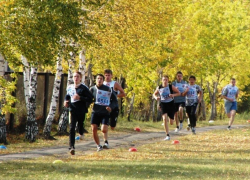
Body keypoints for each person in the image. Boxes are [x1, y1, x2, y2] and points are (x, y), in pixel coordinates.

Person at [64, 71, 93, 155]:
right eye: (74, 77)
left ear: (80, 78)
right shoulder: (70, 87)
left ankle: (81, 132)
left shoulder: (83, 88)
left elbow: (90, 98)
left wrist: (80, 97)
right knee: (72, 128)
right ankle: (71, 147)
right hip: (73, 109)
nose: (76, 78)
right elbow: (68, 95)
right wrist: (66, 101)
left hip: (81, 110)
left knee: (80, 125)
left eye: (77, 77)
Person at [89, 74, 118, 151]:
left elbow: (114, 100)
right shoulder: (92, 89)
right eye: (98, 78)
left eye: (101, 79)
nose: (99, 80)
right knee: (94, 129)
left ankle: (106, 141)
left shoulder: (108, 89)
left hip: (105, 112)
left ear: (103, 80)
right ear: (95, 80)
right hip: (95, 112)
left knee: (103, 129)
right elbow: (88, 99)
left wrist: (110, 107)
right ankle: (98, 145)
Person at [153, 75, 180, 140]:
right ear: (162, 80)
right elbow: (154, 94)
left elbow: (178, 93)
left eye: (166, 80)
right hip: (163, 104)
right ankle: (167, 135)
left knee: (171, 122)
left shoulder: (171, 86)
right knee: (164, 118)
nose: (165, 81)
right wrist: (156, 97)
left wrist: (173, 95)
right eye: (164, 80)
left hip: (171, 104)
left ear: (168, 80)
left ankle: (170, 118)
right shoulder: (159, 87)